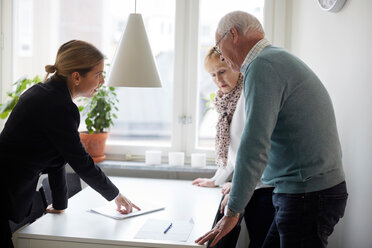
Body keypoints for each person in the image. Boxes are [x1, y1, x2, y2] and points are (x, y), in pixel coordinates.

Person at [195, 11, 348, 248]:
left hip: (307, 194)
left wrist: (232, 211)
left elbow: (254, 144)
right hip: (305, 190)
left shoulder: (262, 66)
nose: (222, 55)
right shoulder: (272, 59)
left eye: (219, 46)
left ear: (233, 35)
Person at [0, 40, 140, 248]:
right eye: (98, 74)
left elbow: (58, 157)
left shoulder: (45, 93)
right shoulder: (59, 105)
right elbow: (81, 162)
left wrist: (59, 204)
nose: (102, 81)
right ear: (76, 77)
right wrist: (116, 196)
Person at [192, 47, 274, 248]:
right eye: (212, 75)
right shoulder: (225, 101)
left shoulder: (249, 97)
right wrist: (216, 180)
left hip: (266, 188)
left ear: (236, 68)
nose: (218, 79)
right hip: (250, 186)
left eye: (222, 71)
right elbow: (234, 151)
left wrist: (237, 185)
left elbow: (257, 150)